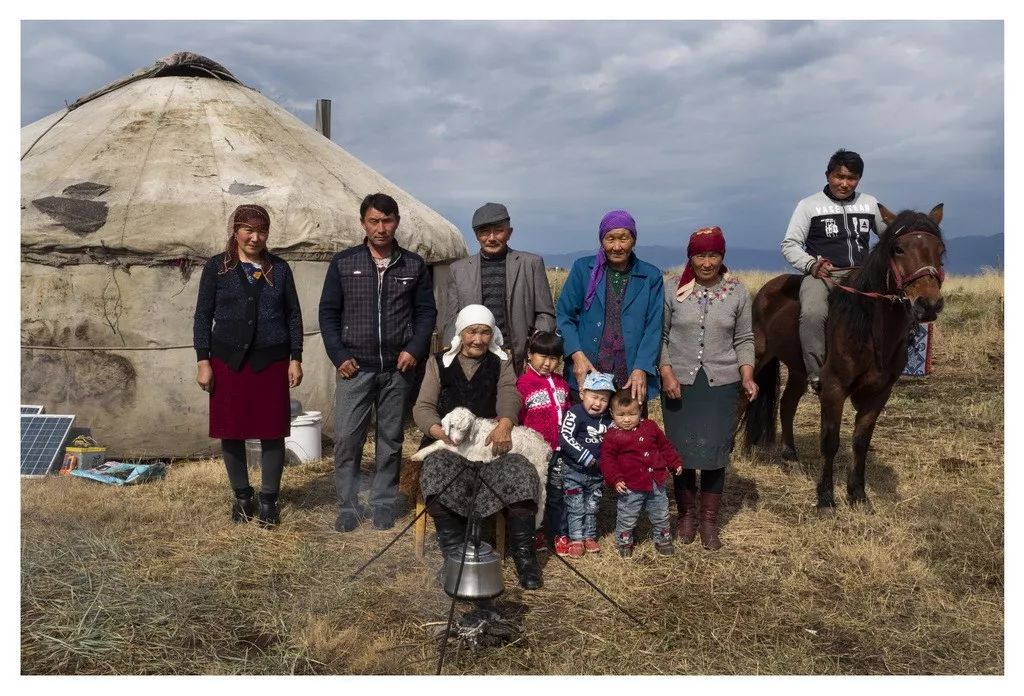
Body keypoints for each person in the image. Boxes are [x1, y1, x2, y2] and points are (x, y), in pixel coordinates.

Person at [319, 192, 437, 533]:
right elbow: (328, 313)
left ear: (396, 222)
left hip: (397, 369)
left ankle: (383, 502)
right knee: (347, 439)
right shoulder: (343, 263)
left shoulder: (413, 265)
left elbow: (426, 312)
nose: (381, 228)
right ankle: (348, 504)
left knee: (390, 439)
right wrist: (339, 355)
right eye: (374, 221)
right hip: (354, 367)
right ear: (363, 223)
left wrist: (414, 349)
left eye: (387, 221)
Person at [414, 304, 543, 590]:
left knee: (521, 471)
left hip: (490, 441)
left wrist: (505, 424)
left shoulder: (501, 360)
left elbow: (510, 393)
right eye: (472, 331)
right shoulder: (438, 362)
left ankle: (525, 559)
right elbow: (423, 407)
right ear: (461, 333)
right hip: (447, 443)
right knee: (437, 471)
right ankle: (453, 557)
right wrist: (439, 432)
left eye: (485, 332)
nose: (479, 339)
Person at [193, 204, 303, 528]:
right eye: (248, 230)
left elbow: (293, 315)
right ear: (235, 231)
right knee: (232, 430)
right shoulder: (217, 268)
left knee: (272, 432)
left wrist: (295, 357)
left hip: (271, 361)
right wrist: (203, 361)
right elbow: (202, 316)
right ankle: (242, 496)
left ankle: (269, 499)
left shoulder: (280, 269)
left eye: (262, 231)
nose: (255, 237)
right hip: (228, 361)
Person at [660, 226, 757, 551]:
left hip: (722, 384)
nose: (706, 262)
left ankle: (709, 522)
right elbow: (659, 337)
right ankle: (686, 516)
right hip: (679, 384)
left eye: (713, 254)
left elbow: (744, 338)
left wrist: (747, 375)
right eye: (700, 254)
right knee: (682, 451)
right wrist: (666, 371)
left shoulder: (738, 292)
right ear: (691, 256)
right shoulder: (672, 289)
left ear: (722, 256)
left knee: (716, 453)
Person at [780, 149, 887, 393]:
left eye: (852, 178)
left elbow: (889, 238)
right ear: (828, 175)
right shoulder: (808, 205)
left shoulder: (870, 203)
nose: (845, 183)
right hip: (824, 275)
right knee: (812, 314)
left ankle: (889, 365)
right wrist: (812, 265)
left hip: (862, 275)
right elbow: (790, 244)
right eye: (839, 176)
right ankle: (817, 376)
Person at [556, 209, 664, 406]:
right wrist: (577, 356)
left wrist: (641, 368)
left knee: (628, 431)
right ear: (601, 241)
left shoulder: (650, 276)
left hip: (630, 377)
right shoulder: (583, 269)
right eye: (610, 239)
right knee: (585, 431)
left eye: (623, 239)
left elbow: (654, 326)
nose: (617, 246)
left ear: (634, 240)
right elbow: (565, 315)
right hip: (588, 371)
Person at [441, 202, 556, 373]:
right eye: (484, 232)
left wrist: (534, 349)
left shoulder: (530, 264)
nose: (491, 238)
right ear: (476, 235)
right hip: (474, 355)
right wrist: (451, 352)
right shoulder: (459, 270)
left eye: (498, 230)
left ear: (509, 233)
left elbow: (545, 314)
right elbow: (452, 318)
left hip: (516, 356)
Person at [600, 389, 682, 558]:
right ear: (612, 413)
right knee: (628, 515)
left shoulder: (650, 426)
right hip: (631, 484)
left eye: (632, 414)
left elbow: (664, 446)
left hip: (656, 481)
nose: (627, 419)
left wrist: (674, 462)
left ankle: (663, 539)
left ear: (640, 409)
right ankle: (624, 542)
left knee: (660, 513)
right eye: (621, 415)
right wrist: (615, 479)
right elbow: (607, 461)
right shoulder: (612, 436)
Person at [515, 330, 572, 554]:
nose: (548, 363)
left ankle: (559, 532)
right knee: (537, 491)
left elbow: (567, 412)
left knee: (558, 491)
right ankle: (535, 532)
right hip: (535, 452)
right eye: (543, 357)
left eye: (554, 358)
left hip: (559, 449)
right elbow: (517, 418)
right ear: (530, 354)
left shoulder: (561, 384)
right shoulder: (523, 384)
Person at [558, 371, 615, 558]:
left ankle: (589, 535)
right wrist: (587, 457)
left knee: (592, 505)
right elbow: (565, 438)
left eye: (604, 400)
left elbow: (613, 441)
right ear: (583, 394)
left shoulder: (609, 420)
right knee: (575, 505)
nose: (598, 403)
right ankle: (575, 538)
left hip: (597, 473)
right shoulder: (575, 413)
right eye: (594, 397)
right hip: (575, 469)